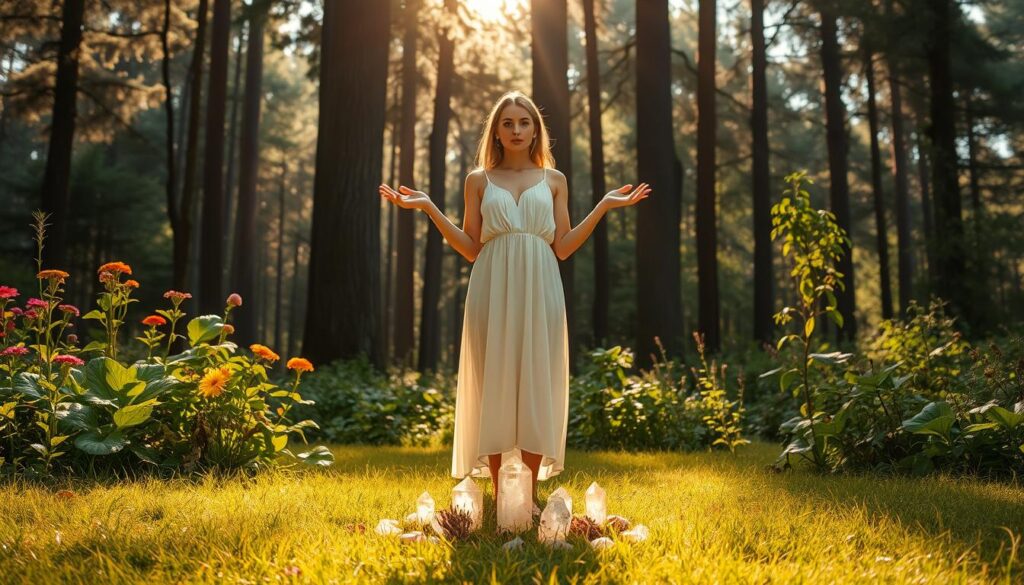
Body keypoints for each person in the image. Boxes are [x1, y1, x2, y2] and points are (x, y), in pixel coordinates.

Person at [379, 90, 650, 511]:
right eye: (508, 123)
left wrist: (603, 207)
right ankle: (500, 495)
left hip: (542, 283)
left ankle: (529, 496)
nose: (517, 130)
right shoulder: (478, 180)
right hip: (492, 282)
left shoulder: (554, 180)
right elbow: (470, 246)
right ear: (497, 131)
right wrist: (430, 207)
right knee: (496, 379)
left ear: (535, 129)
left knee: (536, 381)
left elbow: (563, 246)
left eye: (525, 122)